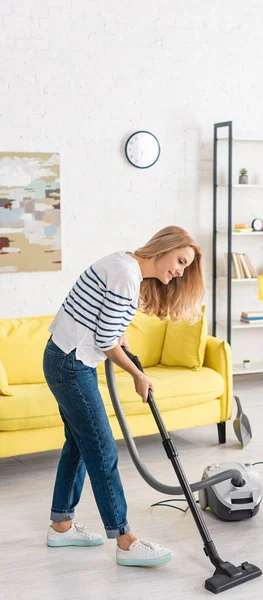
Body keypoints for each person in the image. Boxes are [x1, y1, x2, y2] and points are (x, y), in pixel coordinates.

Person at [43, 225, 205, 567]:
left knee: (78, 445)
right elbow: (103, 339)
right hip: (71, 363)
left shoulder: (123, 263)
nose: (179, 271)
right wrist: (138, 375)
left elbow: (103, 320)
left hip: (64, 358)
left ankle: (61, 524)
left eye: (185, 267)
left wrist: (120, 334)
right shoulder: (126, 275)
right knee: (101, 449)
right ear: (163, 248)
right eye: (179, 260)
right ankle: (126, 540)